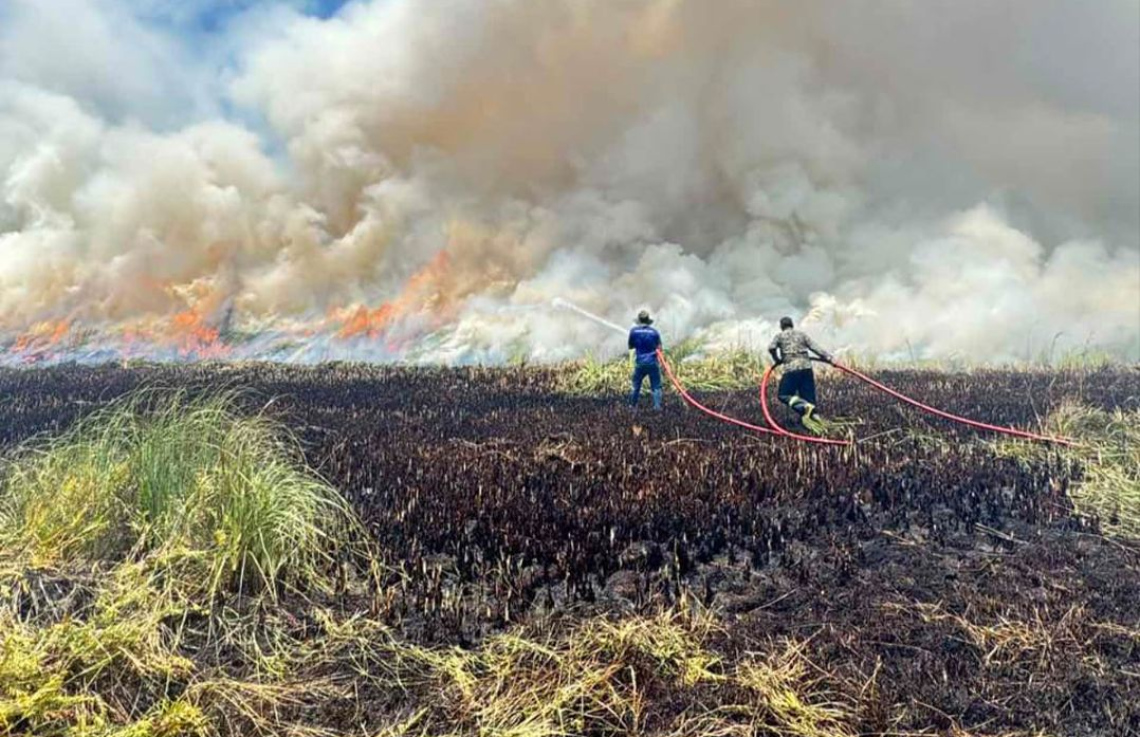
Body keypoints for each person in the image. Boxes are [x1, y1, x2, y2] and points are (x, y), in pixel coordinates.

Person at [768, 316, 832, 429]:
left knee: (784, 394)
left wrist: (777, 359)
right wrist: (829, 358)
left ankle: (804, 407)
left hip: (791, 369)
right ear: (792, 325)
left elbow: (771, 347)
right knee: (808, 396)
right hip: (807, 369)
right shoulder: (801, 335)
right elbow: (815, 347)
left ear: (781, 326)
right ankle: (815, 421)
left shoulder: (779, 336)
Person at [628, 310, 663, 410]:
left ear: (639, 320)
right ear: (648, 321)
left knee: (636, 386)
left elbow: (631, 346)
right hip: (652, 363)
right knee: (656, 386)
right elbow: (660, 348)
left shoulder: (633, 332)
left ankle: (632, 406)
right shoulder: (654, 332)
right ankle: (657, 407)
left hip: (640, 363)